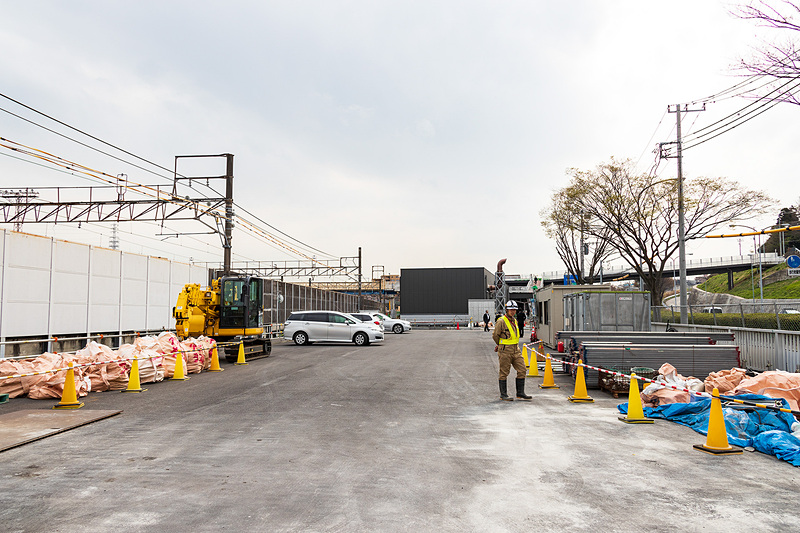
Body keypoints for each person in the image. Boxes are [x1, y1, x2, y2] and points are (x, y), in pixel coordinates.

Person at [492, 300, 532, 401]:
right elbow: (495, 335)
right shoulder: (501, 321)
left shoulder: (514, 320)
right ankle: (503, 394)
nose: (513, 311)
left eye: (514, 310)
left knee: (522, 369)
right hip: (505, 350)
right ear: (507, 310)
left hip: (515, 349)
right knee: (504, 372)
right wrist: (500, 345)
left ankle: (520, 393)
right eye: (511, 310)